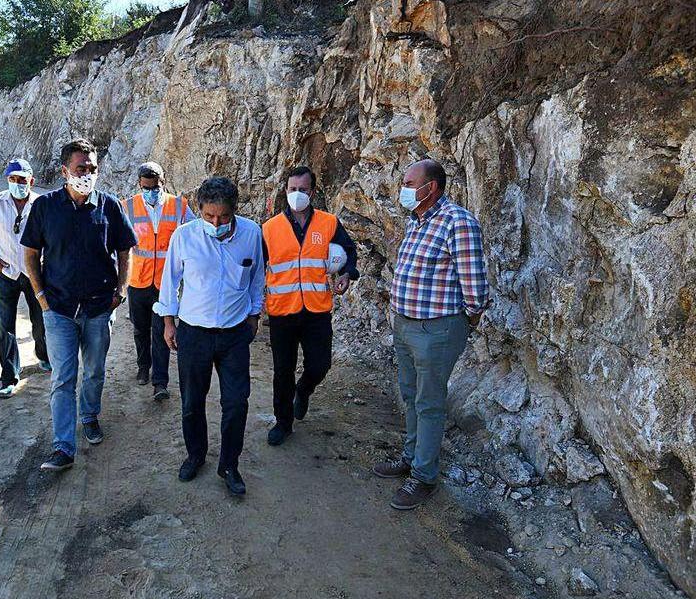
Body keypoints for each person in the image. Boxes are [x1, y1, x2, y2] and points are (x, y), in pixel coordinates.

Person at [374, 158, 489, 510]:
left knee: (429, 402)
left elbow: (476, 288)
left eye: (409, 183)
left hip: (436, 328)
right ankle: (411, 458)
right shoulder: (417, 221)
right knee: (410, 395)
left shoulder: (457, 222)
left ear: (431, 187)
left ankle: (424, 477)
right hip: (406, 325)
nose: (404, 190)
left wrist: (462, 320)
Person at [21, 138, 137, 472]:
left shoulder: (109, 206)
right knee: (63, 377)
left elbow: (126, 250)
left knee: (95, 371)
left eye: (92, 169)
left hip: (100, 308)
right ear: (64, 171)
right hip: (58, 310)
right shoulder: (45, 207)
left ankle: (89, 415)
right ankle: (63, 446)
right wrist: (41, 296)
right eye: (80, 169)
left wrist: (121, 291)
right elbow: (30, 254)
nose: (87, 174)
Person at [156, 177, 265, 497]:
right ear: (199, 211)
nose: (216, 223)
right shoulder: (184, 236)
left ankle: (229, 465)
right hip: (193, 333)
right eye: (209, 217)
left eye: (223, 217)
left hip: (234, 335)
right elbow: (170, 280)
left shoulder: (251, 234)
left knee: (236, 403)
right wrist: (168, 322)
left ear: (235, 211)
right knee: (192, 401)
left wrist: (254, 315)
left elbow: (257, 277)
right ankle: (195, 455)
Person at [261, 165, 360, 446]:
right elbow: (256, 267)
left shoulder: (328, 223)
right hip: (282, 312)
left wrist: (346, 275)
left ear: (312, 192)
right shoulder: (270, 229)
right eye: (292, 189)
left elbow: (349, 252)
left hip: (317, 310)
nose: (297, 195)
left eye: (302, 190)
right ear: (285, 191)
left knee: (320, 365)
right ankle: (283, 423)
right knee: (283, 371)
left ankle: (303, 391)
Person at [0, 158, 51, 399]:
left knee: (40, 320)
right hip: (6, 272)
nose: (17, 184)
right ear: (8, 180)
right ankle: (9, 377)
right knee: (4, 325)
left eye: (22, 180)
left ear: (31, 181)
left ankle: (44, 355)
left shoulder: (42, 204)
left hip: (34, 274)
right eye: (13, 179)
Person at [122, 161, 195, 402]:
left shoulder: (179, 206)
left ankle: (160, 382)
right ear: (139, 185)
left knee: (162, 331)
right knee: (140, 328)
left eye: (155, 187)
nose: (150, 191)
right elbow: (118, 245)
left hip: (166, 283)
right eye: (146, 187)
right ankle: (143, 366)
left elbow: (194, 235)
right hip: (137, 281)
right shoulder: (128, 207)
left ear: (163, 183)